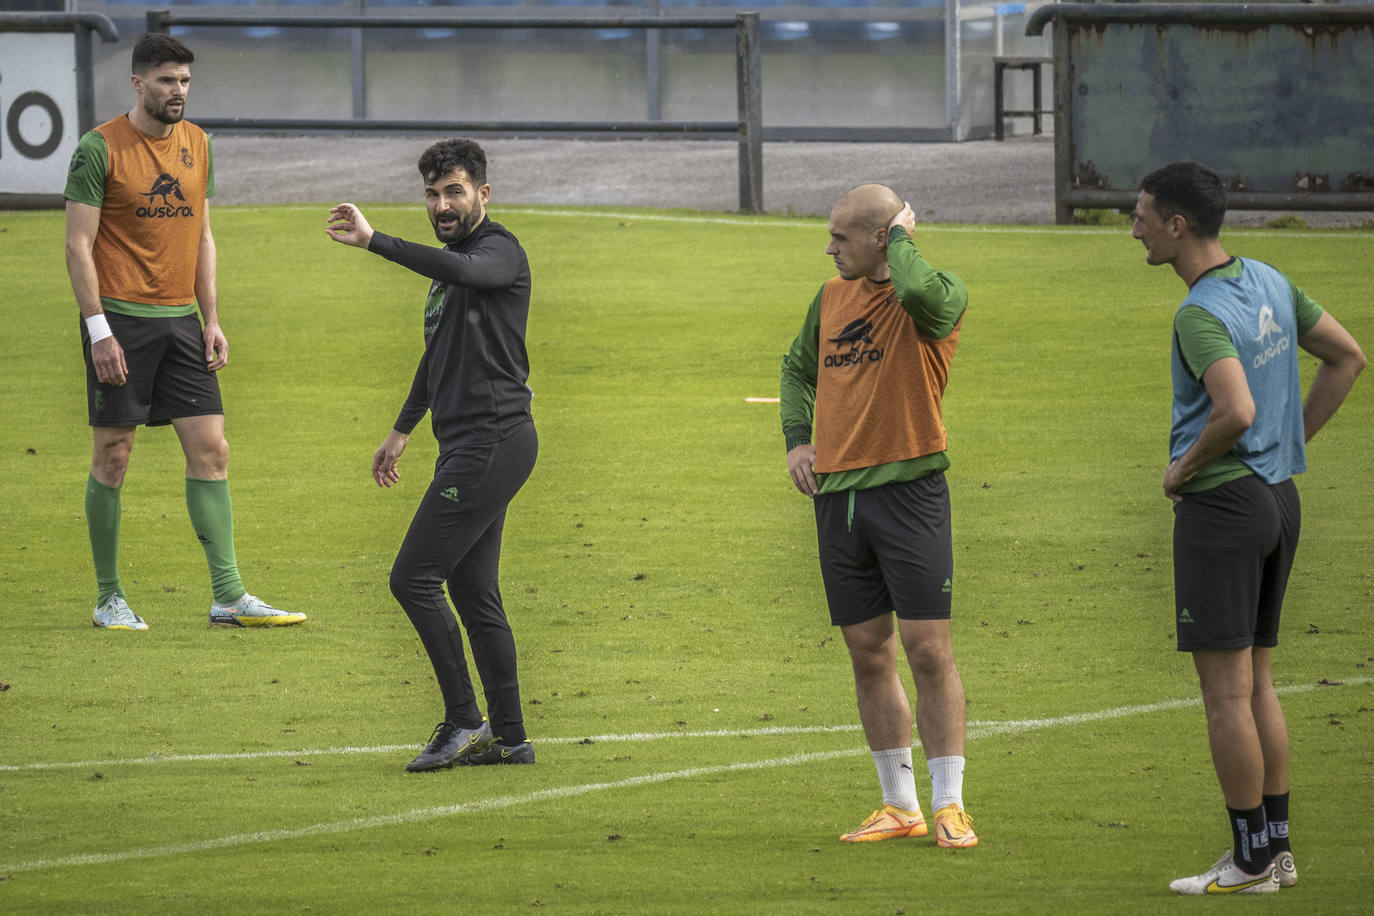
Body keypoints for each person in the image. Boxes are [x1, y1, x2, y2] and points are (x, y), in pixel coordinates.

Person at [1131, 162, 1364, 895]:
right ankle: (1277, 850)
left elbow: (1234, 410)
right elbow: (1347, 357)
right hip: (1276, 499)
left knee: (1226, 694)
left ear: (1177, 226)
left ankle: (1249, 859)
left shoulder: (1198, 313)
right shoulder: (1265, 277)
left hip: (1225, 508)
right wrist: (1288, 448)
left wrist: (1181, 471)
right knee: (1258, 681)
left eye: (1141, 216)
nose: (1132, 228)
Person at [63, 33, 306, 631]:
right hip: (119, 319)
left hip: (182, 321)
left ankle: (228, 595)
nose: (179, 91)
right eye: (168, 80)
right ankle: (108, 598)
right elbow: (77, 245)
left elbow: (201, 234)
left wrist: (212, 318)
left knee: (212, 450)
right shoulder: (98, 149)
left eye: (186, 81)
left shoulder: (198, 143)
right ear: (138, 83)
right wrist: (99, 332)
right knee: (114, 455)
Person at [325, 139, 538, 772]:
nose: (442, 204)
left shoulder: (498, 251)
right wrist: (402, 428)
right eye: (432, 194)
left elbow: (469, 274)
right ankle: (510, 738)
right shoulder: (450, 267)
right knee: (474, 592)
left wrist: (375, 242)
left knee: (412, 579)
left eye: (454, 191)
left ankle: (463, 721)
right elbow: (437, 354)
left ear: (482, 194)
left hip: (494, 441)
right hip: (467, 444)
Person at [779, 184, 977, 848]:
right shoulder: (830, 298)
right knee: (868, 652)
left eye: (842, 237)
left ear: (881, 239)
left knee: (927, 650)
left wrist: (902, 243)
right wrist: (796, 439)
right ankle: (900, 806)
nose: (829, 247)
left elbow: (919, 296)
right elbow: (795, 368)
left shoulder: (938, 293)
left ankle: (949, 803)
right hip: (839, 500)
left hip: (910, 491)